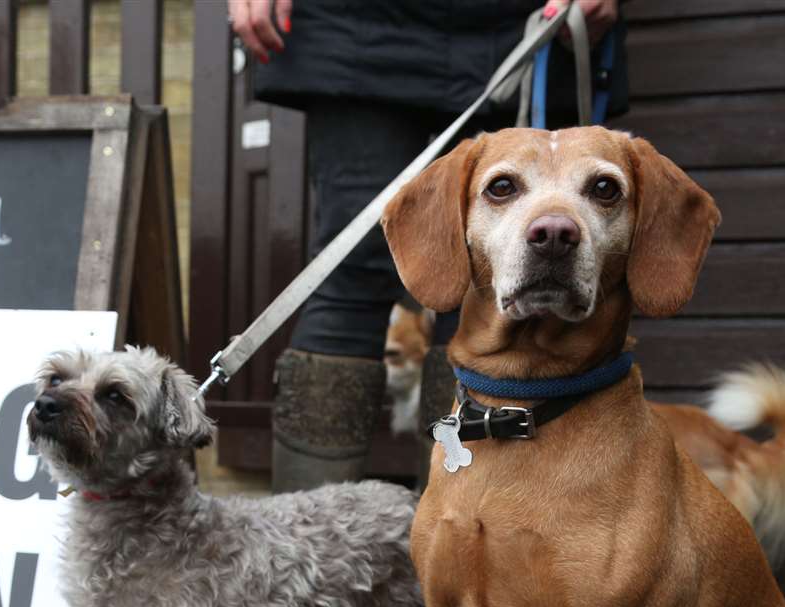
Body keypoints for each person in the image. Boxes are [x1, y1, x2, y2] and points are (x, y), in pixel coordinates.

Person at [226, 0, 627, 492]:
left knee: (492, 274)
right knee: (353, 267)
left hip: (524, 21)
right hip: (354, 26)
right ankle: (303, 542)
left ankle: (458, 526)